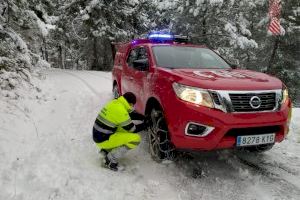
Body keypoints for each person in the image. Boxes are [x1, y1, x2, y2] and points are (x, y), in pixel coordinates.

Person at [93, 92, 149, 171]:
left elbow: (129, 115)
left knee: (122, 128)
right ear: (129, 103)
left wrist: (142, 117)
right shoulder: (121, 110)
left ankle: (106, 150)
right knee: (135, 139)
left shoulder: (115, 103)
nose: (132, 107)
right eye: (132, 105)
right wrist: (145, 125)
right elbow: (133, 129)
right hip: (103, 139)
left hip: (100, 135)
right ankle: (110, 159)